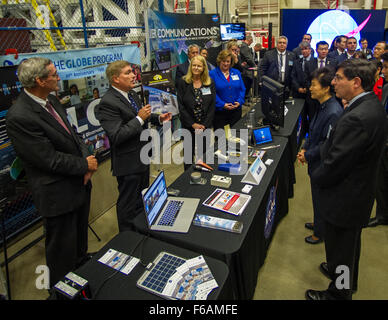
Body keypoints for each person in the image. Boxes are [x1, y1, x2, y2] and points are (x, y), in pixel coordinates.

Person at [5, 57, 98, 288]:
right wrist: (84, 166)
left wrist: (87, 161)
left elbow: (73, 135)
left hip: (79, 184)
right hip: (57, 195)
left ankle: (81, 272)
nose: (59, 78)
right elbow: (47, 159)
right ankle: (61, 291)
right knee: (61, 254)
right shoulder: (20, 117)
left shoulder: (52, 100)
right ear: (39, 80)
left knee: (78, 243)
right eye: (54, 75)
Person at [305, 59, 387, 300]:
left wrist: (316, 177)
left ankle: (338, 293)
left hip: (345, 198)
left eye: (339, 78)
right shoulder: (371, 104)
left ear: (356, 82)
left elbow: (335, 164)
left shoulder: (356, 117)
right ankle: (346, 281)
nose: (334, 82)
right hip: (358, 193)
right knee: (348, 248)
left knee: (341, 252)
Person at [96, 60, 172, 232]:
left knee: (142, 199)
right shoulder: (108, 103)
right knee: (128, 204)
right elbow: (117, 135)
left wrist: (157, 118)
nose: (133, 75)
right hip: (128, 163)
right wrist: (139, 118)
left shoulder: (131, 94)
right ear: (115, 78)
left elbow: (142, 116)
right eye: (128, 73)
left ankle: (141, 230)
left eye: (132, 72)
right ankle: (127, 238)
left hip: (142, 157)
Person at [297, 67, 343, 245]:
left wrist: (308, 154)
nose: (310, 88)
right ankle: (319, 223)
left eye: (314, 85)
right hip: (314, 159)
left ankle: (320, 232)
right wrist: (305, 149)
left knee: (321, 198)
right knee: (317, 196)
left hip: (322, 165)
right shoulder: (322, 105)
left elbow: (327, 143)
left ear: (325, 88)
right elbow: (314, 129)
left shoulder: (333, 111)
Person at [176, 55, 215, 170]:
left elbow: (212, 105)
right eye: (194, 65)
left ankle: (203, 173)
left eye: (199, 65)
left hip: (204, 125)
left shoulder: (209, 82)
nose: (196, 68)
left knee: (204, 154)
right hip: (188, 125)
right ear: (190, 66)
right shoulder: (183, 82)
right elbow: (181, 106)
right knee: (188, 155)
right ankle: (187, 178)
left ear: (204, 67)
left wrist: (204, 125)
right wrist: (192, 124)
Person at [368, 52, 388, 227]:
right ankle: (382, 214)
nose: (383, 72)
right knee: (381, 179)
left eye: (386, 67)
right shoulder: (386, 87)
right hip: (384, 141)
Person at [209, 49, 245, 130]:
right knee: (222, 139)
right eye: (223, 61)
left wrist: (239, 101)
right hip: (220, 113)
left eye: (228, 61)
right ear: (219, 61)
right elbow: (212, 93)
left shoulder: (236, 72)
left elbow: (242, 89)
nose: (226, 63)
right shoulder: (212, 74)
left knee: (236, 137)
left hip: (236, 111)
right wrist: (222, 104)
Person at [239, 35, 256, 102]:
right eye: (251, 42)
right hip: (246, 69)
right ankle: (245, 99)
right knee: (247, 83)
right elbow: (249, 58)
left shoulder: (244, 46)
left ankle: (247, 98)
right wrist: (254, 66)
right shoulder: (244, 46)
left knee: (248, 83)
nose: (251, 43)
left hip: (246, 68)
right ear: (250, 40)